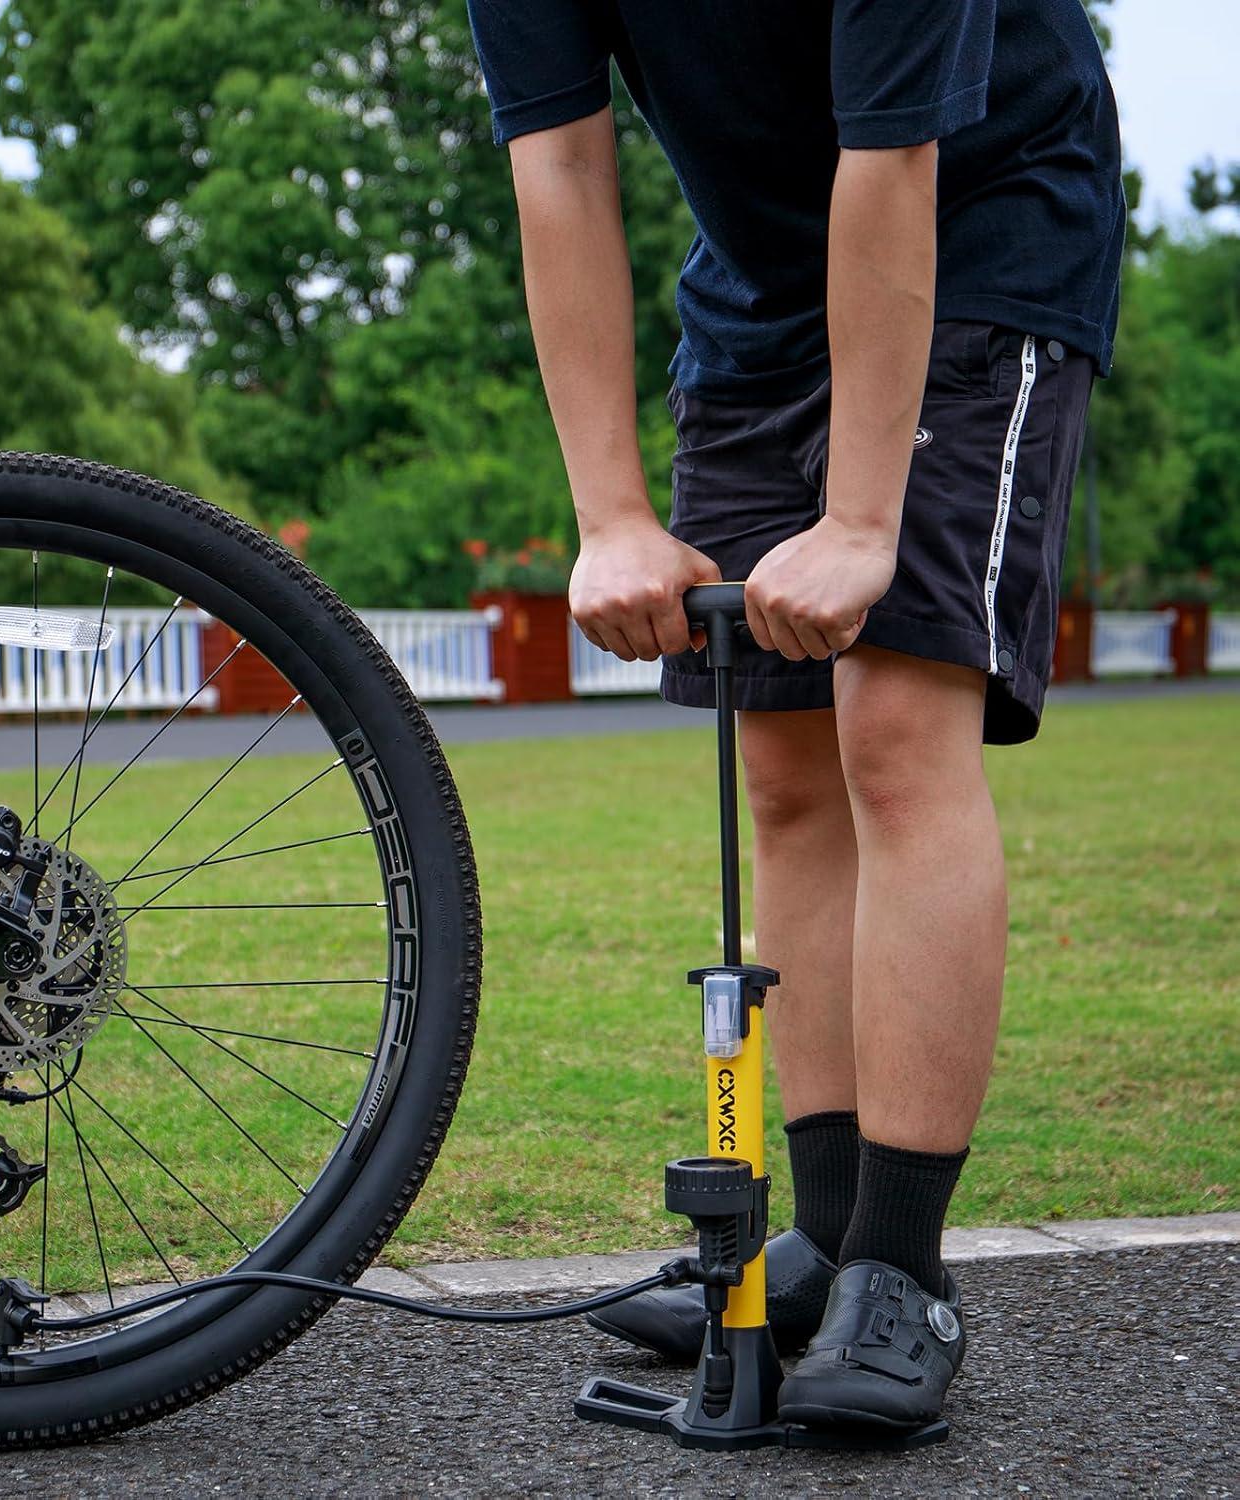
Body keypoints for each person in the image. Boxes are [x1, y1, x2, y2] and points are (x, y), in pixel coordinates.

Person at [465, 0, 1124, 1431]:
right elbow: (560, 165)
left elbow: (893, 154)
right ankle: (824, 1241)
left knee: (894, 735)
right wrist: (610, 515)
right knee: (784, 770)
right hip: (758, 282)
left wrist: (866, 522)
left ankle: (901, 1270)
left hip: (980, 224)